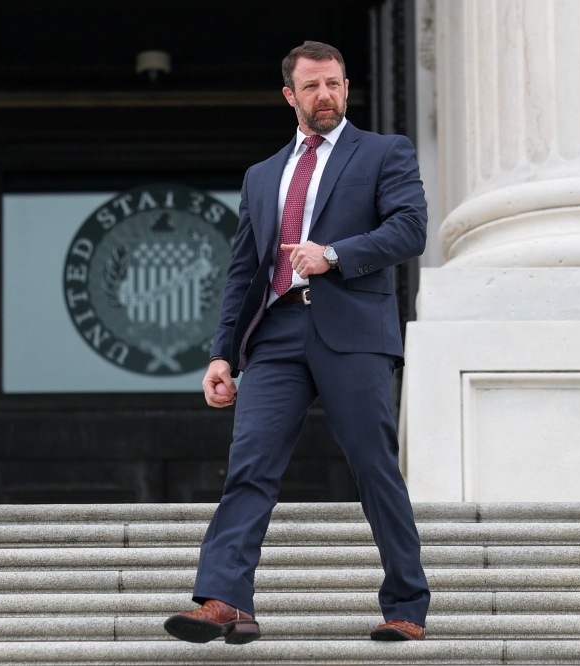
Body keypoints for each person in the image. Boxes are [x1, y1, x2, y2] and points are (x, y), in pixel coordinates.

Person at [164, 41, 430, 645]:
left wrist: (334, 255)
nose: (326, 96)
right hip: (278, 332)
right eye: (312, 87)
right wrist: (222, 354)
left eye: (334, 84)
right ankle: (226, 599)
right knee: (250, 466)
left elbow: (409, 228)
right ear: (290, 95)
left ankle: (406, 606)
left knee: (374, 468)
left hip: (353, 333)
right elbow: (243, 273)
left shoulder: (384, 152)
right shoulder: (262, 175)